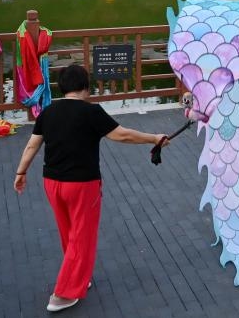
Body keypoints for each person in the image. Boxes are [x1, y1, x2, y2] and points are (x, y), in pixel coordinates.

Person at [14, 64, 170, 312]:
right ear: (86, 87)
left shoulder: (48, 112)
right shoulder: (92, 112)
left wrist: (21, 172)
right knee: (82, 237)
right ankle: (62, 294)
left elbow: (32, 145)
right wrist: (154, 138)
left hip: (52, 183)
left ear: (62, 87)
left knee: (69, 232)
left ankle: (78, 277)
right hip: (81, 185)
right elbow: (122, 135)